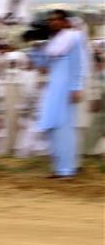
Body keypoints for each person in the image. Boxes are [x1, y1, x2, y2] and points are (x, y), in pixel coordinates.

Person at [35, 10, 86, 178]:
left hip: (66, 90)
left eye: (57, 20)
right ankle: (58, 168)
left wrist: (76, 87)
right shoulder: (52, 42)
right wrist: (36, 46)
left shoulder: (74, 38)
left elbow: (78, 65)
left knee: (64, 129)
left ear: (65, 22)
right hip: (52, 89)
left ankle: (68, 169)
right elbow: (42, 65)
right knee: (52, 128)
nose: (53, 22)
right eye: (50, 20)